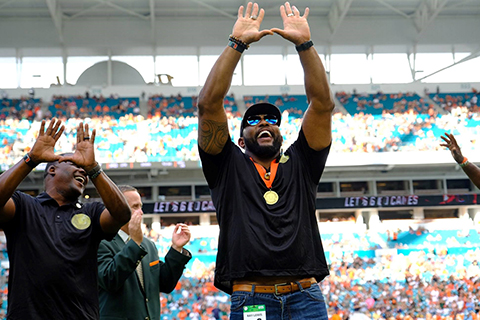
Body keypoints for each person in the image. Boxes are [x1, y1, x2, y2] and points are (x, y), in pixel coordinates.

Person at [197, 2, 334, 319]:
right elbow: (208, 104)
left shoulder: (302, 161)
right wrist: (237, 44)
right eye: (254, 120)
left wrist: (305, 44)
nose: (264, 122)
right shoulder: (226, 165)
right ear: (240, 139)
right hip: (252, 298)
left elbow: (323, 105)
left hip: (306, 296)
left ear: (281, 135)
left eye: (271, 120)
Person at [0, 118, 131, 319]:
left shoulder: (91, 213)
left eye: (85, 169)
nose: (82, 170)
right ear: (52, 169)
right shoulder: (24, 206)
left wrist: (94, 168)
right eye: (73, 163)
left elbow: (122, 214)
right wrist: (31, 159)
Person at [97, 185, 192, 320]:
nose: (141, 212)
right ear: (115, 209)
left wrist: (176, 249)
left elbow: (165, 284)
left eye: (140, 206)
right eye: (135, 207)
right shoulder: (100, 242)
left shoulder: (148, 244)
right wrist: (134, 244)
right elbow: (110, 280)